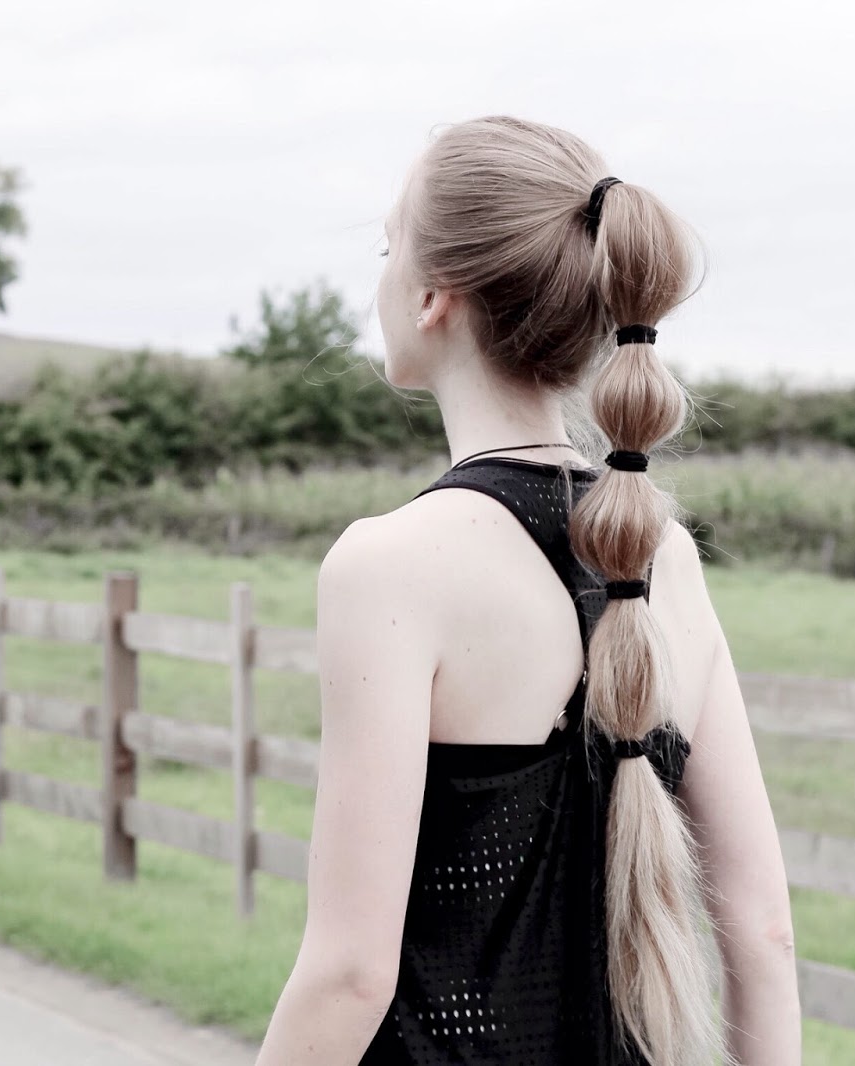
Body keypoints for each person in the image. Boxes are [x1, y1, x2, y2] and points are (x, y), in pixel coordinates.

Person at [254, 115, 800, 1066]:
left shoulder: (390, 566)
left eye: (388, 248)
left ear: (434, 294)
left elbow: (350, 975)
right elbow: (763, 934)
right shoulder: (665, 559)